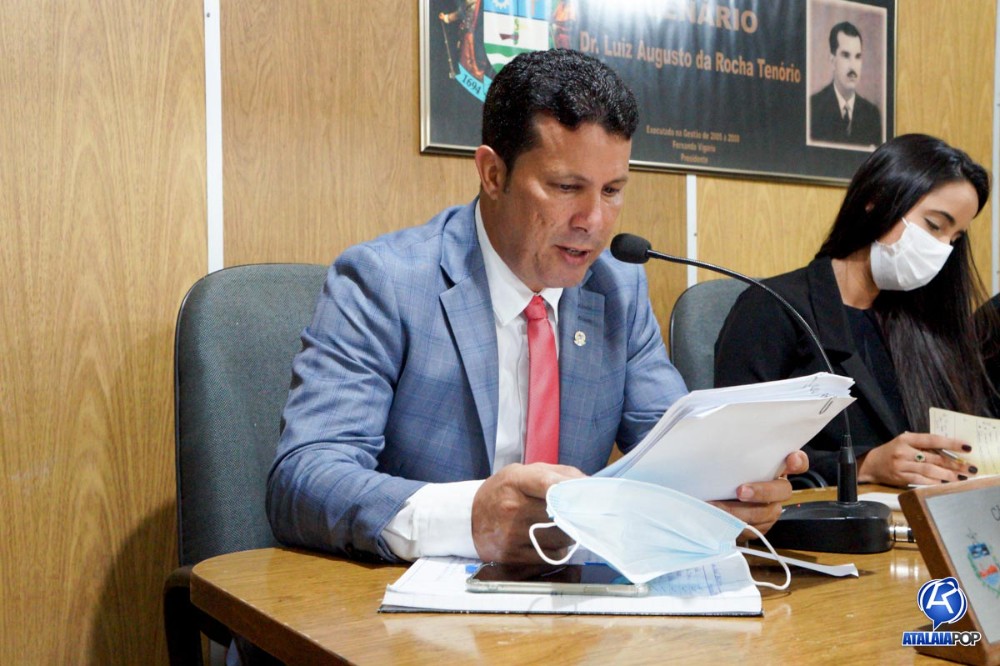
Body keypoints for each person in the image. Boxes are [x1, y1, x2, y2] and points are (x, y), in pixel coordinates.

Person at [266, 49, 806, 567]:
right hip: (397, 601)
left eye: (612, 190)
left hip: (568, 599)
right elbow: (304, 476)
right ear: (493, 174)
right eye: (567, 187)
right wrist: (470, 519)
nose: (594, 221)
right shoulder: (385, 281)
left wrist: (728, 488)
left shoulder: (617, 289)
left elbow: (672, 453)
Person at [715, 133, 991, 488]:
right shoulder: (773, 308)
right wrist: (865, 465)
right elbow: (738, 451)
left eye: (954, 239)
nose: (940, 250)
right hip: (815, 514)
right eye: (934, 225)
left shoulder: (922, 325)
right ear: (877, 200)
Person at [809, 21, 882, 147]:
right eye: (846, 55)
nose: (853, 66)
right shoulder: (813, 108)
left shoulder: (872, 114)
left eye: (858, 57)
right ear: (833, 61)